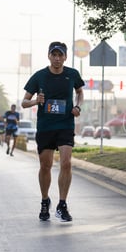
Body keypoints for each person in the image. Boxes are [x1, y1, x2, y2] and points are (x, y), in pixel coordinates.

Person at [21, 41, 84, 222]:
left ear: (65, 57)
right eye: (54, 55)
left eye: (60, 55)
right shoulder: (39, 76)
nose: (57, 58)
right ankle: (44, 200)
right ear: (49, 56)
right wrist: (35, 101)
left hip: (65, 125)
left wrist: (78, 107)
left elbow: (79, 92)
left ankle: (62, 204)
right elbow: (24, 102)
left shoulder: (72, 74)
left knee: (66, 163)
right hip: (46, 126)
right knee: (45, 165)